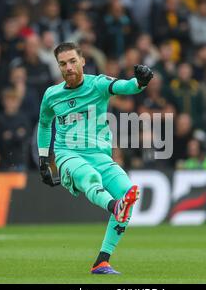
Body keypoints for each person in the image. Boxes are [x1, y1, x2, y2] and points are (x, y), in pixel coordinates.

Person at [37, 42, 153, 274]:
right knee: (91, 178)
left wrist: (141, 82)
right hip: (67, 154)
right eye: (62, 64)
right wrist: (43, 161)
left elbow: (127, 87)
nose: (68, 67)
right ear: (59, 67)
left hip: (100, 156)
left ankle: (102, 260)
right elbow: (44, 124)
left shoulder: (98, 83)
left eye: (72, 61)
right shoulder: (51, 95)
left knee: (127, 191)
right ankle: (113, 206)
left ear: (82, 61)